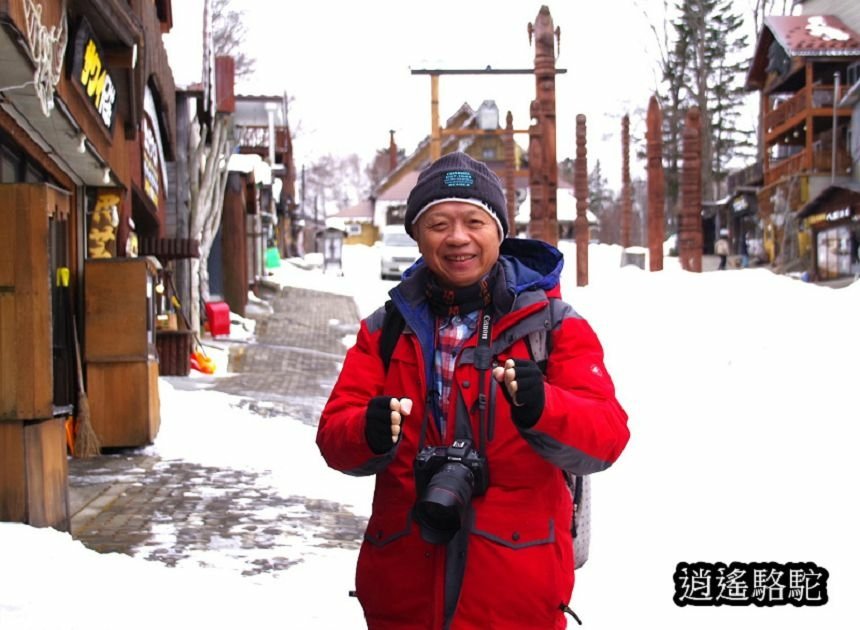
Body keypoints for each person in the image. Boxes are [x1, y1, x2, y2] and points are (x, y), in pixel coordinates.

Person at [316, 152, 629, 629]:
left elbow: (607, 436)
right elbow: (334, 435)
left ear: (499, 232)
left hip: (514, 600)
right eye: (439, 223)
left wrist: (544, 407)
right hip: (403, 599)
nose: (457, 237)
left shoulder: (553, 327)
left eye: (474, 221)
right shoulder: (385, 330)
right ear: (418, 236)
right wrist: (369, 430)